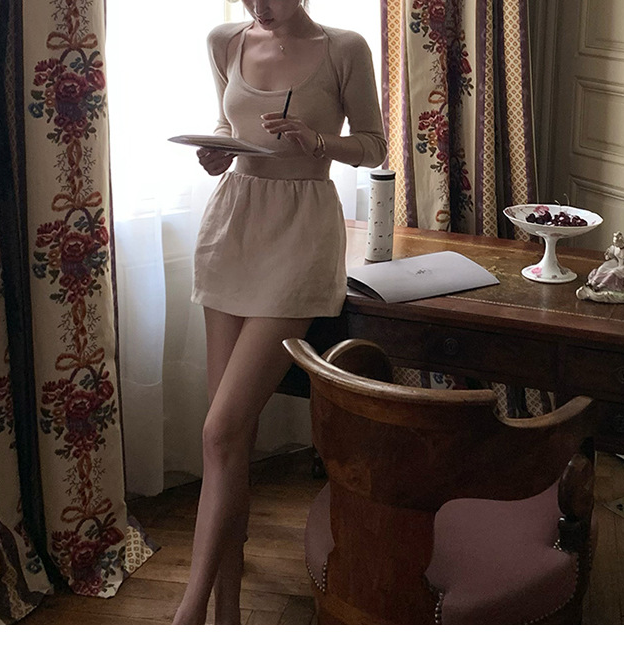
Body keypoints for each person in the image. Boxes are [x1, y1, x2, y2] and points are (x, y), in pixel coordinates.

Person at [172, 0, 386, 624]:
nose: (258, 6)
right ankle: (227, 613)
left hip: (300, 234)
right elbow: (227, 125)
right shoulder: (223, 41)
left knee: (218, 431)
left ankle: (188, 615)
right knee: (229, 440)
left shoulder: (344, 49)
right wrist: (215, 153)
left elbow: (373, 147)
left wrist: (316, 141)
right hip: (233, 225)